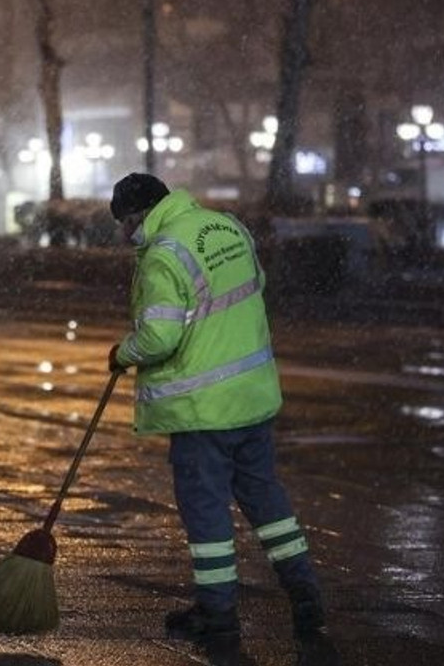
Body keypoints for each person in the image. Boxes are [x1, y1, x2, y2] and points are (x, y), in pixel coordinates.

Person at [106, 173, 325, 639]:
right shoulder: (227, 227)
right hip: (252, 397)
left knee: (206, 512)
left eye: (125, 223)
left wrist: (123, 353)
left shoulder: (163, 254)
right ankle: (305, 592)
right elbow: (253, 285)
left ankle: (218, 615)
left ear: (137, 214)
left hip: (203, 409)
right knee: (267, 500)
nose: (126, 236)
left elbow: (160, 338)